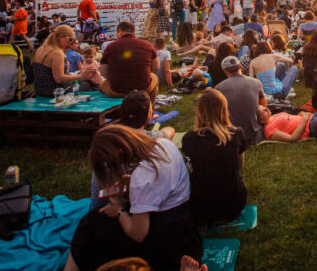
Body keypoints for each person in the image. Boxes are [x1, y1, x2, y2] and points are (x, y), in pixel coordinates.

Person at [65, 125, 201, 271]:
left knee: (91, 222)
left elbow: (138, 234)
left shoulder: (142, 178)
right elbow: (161, 187)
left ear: (121, 152)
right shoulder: (163, 144)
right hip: (185, 232)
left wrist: (119, 211)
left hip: (165, 247)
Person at [181, 89, 247, 226]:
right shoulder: (237, 134)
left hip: (200, 208)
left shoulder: (189, 139)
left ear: (199, 112)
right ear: (223, 108)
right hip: (234, 205)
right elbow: (239, 166)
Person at [100, 21, 159, 103]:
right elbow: (156, 67)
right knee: (154, 77)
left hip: (116, 90)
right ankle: (150, 110)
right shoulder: (147, 45)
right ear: (133, 32)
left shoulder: (110, 46)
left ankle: (113, 110)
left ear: (120, 31)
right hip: (142, 88)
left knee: (102, 84)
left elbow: (103, 72)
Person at [215, 55, 267, 147]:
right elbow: (263, 106)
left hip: (229, 137)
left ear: (225, 71)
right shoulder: (256, 82)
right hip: (254, 136)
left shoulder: (218, 88)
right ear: (241, 67)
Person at [33, 25, 95, 97]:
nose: (70, 43)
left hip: (40, 90)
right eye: (70, 40)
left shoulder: (41, 48)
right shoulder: (56, 53)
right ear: (61, 37)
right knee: (88, 84)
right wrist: (81, 76)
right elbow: (59, 79)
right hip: (54, 92)